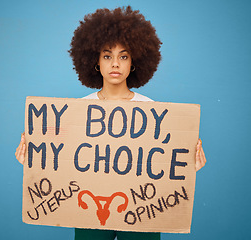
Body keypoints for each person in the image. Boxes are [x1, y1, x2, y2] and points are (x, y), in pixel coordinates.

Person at [15, 6, 206, 240]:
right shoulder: (77, 110)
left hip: (140, 210)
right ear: (95, 61)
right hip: (89, 210)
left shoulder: (152, 110)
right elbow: (60, 160)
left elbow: (163, 164)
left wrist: (188, 166)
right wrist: (33, 159)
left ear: (134, 61)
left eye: (123, 56)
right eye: (107, 56)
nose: (115, 63)